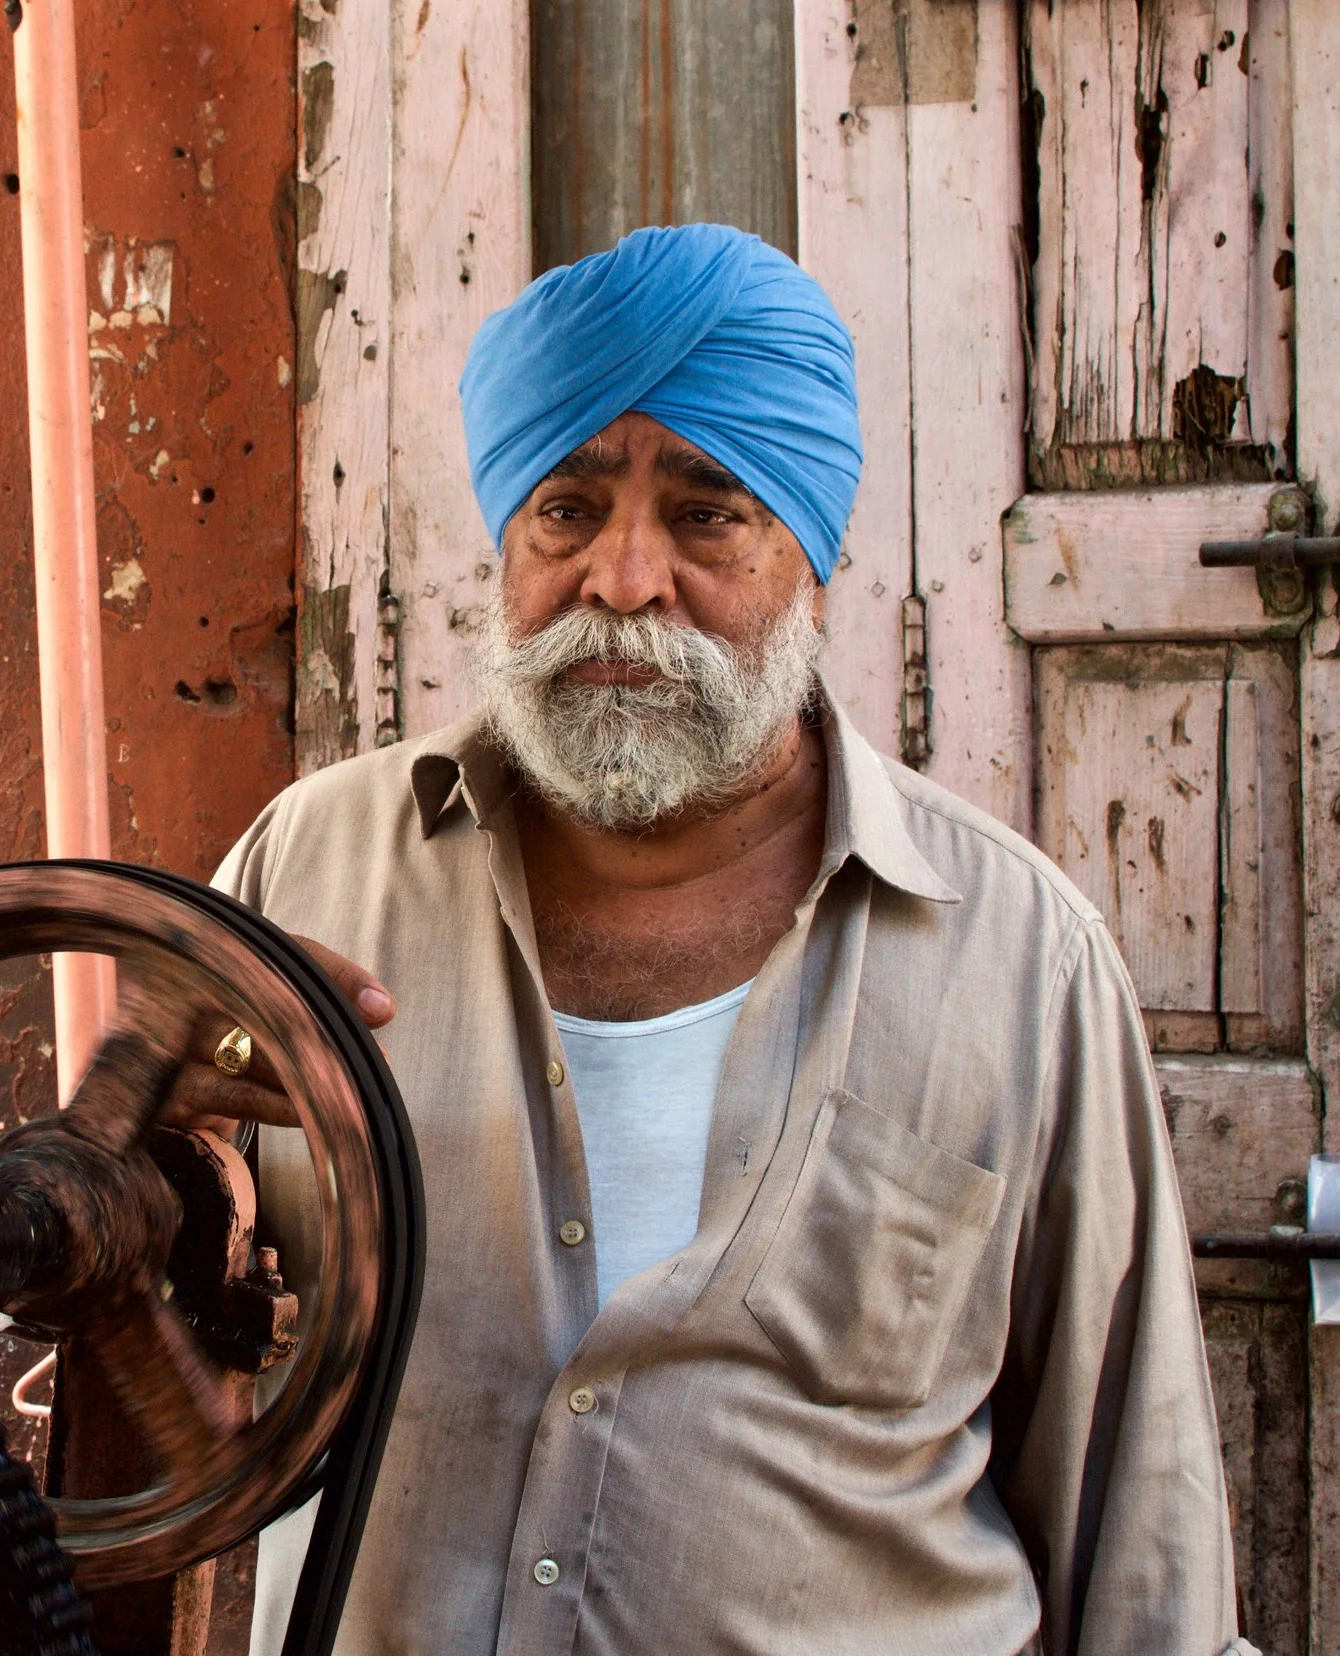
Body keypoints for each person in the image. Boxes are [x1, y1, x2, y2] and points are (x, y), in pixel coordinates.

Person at [214, 227, 1247, 1654]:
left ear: (810, 554)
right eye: (565, 511)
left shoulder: (1021, 961)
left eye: (709, 517)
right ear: (507, 543)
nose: (624, 580)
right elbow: (156, 1338)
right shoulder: (308, 873)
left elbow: (1137, 1521)